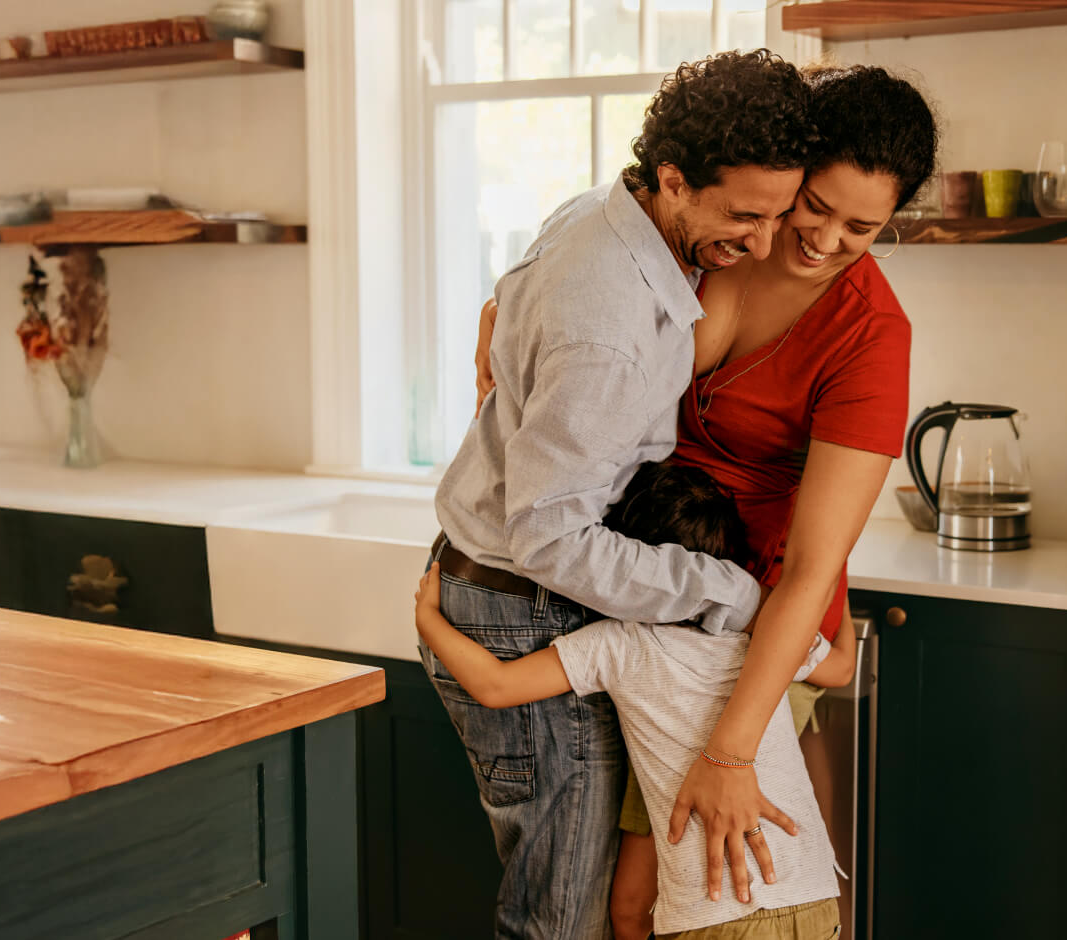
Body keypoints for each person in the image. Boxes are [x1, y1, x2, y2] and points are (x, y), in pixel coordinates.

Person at [423, 50, 816, 939]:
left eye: (778, 214)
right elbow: (553, 540)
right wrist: (720, 589)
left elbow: (513, 325)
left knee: (580, 905)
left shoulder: (605, 212)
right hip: (527, 602)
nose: (761, 244)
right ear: (673, 180)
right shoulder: (610, 327)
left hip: (508, 591)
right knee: (562, 919)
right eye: (743, 216)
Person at [601, 64, 939, 937]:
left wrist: (732, 750)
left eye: (861, 227)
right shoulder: (723, 233)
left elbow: (816, 564)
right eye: (813, 205)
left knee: (690, 899)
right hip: (645, 574)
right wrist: (500, 314)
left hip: (752, 620)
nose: (823, 238)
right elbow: (588, 288)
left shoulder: (871, 338)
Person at [416, 462, 857, 939]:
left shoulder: (622, 643)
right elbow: (843, 666)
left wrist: (430, 621)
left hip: (709, 918)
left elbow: (495, 686)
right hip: (813, 902)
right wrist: (824, 575)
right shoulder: (770, 633)